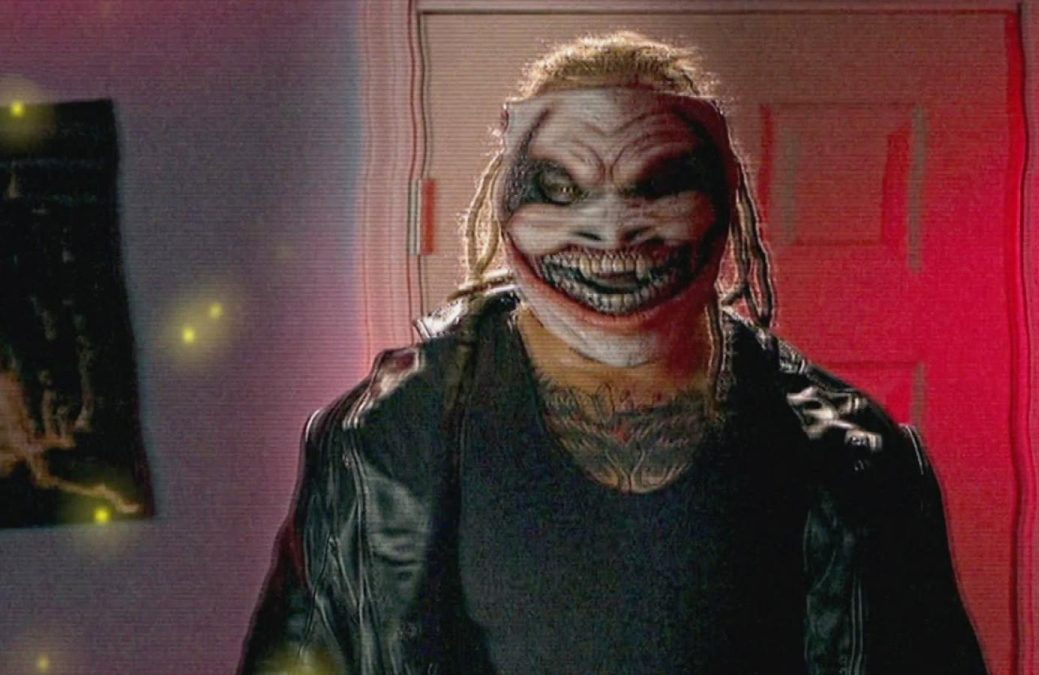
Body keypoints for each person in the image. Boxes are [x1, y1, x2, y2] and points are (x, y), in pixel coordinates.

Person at [240, 32, 986, 675]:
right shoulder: (379, 445)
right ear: (504, 210)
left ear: (724, 203)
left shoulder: (856, 461)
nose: (611, 232)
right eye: (559, 190)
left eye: (658, 185)